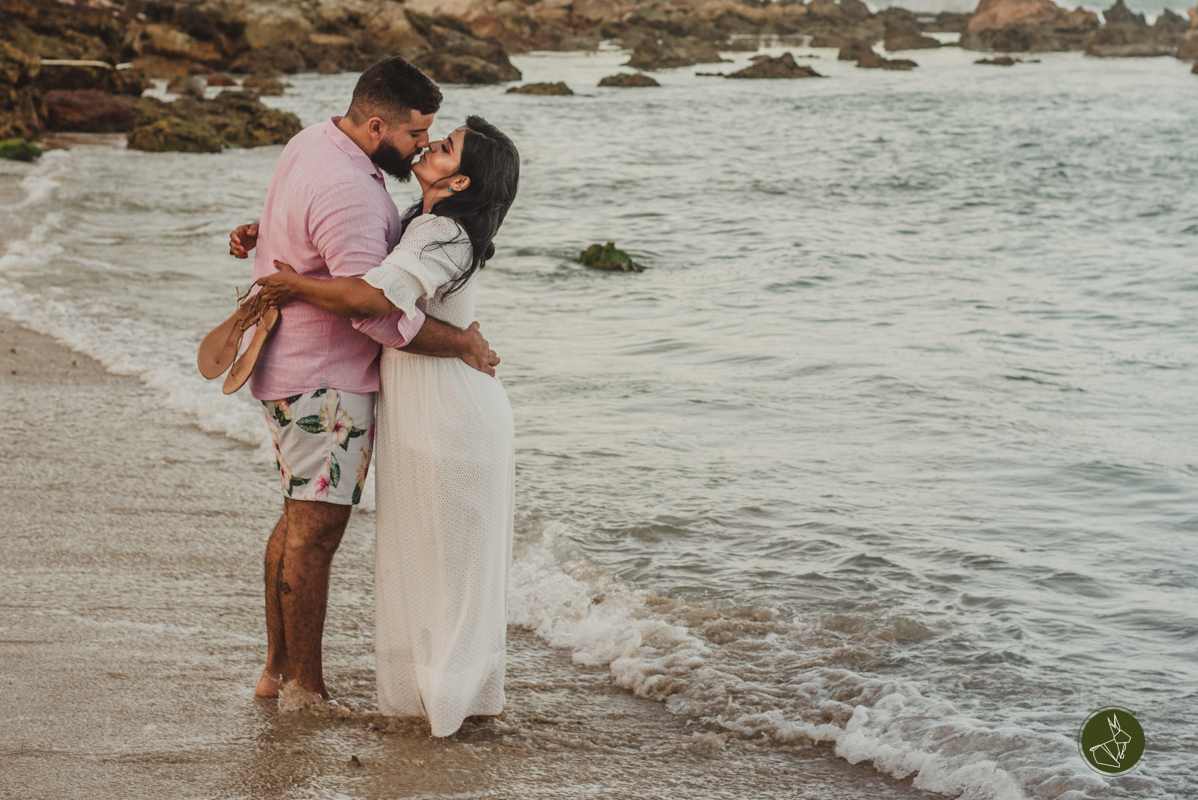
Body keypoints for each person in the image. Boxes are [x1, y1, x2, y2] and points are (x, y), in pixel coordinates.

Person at [227, 57, 501, 705]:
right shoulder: (351, 189)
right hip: (327, 383)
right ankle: (306, 688)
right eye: (415, 134)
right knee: (314, 534)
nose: (421, 146)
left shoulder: (312, 143)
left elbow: (308, 235)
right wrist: (462, 343)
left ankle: (277, 672)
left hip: (288, 366)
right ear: (377, 126)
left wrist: (261, 236)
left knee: (298, 520)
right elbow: (375, 314)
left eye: (433, 138)